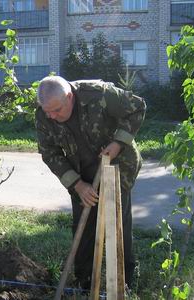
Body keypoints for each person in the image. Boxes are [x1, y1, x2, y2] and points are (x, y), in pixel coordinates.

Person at [35, 75, 146, 289]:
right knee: (83, 228)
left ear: (69, 97)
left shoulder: (100, 94)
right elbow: (49, 153)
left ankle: (125, 283)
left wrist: (119, 142)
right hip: (81, 175)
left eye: (56, 110)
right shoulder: (44, 113)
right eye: (47, 111)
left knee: (117, 226)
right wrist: (77, 185)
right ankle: (84, 282)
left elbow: (137, 107)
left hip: (117, 168)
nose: (51, 116)